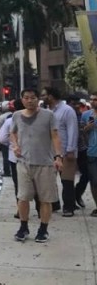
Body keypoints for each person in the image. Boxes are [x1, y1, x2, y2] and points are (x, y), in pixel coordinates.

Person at [9, 88, 64, 243]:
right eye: (26, 98)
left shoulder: (48, 115)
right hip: (23, 163)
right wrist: (15, 145)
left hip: (45, 164)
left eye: (33, 98)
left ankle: (43, 229)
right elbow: (12, 133)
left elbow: (55, 136)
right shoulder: (16, 115)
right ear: (22, 100)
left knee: (45, 199)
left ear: (38, 99)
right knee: (23, 197)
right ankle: (23, 227)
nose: (30, 101)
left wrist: (58, 157)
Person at [41, 86, 79, 216]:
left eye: (44, 95)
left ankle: (69, 207)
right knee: (50, 181)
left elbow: (72, 130)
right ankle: (54, 204)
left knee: (66, 181)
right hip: (50, 152)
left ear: (51, 96)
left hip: (65, 152)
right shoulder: (46, 111)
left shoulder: (67, 110)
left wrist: (70, 150)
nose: (42, 98)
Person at [0, 98, 24, 216]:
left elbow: (2, 138)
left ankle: (20, 210)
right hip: (34, 157)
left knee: (18, 184)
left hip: (15, 157)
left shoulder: (9, 120)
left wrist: (11, 144)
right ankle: (40, 209)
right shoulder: (36, 118)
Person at [69, 95, 90, 208]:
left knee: (86, 174)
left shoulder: (82, 116)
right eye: (74, 104)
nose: (77, 106)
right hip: (68, 150)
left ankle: (77, 193)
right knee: (68, 179)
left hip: (82, 149)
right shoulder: (66, 116)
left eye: (79, 104)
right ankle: (70, 201)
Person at [80, 92, 97, 216]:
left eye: (95, 99)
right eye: (91, 99)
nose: (92, 101)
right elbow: (81, 133)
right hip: (92, 152)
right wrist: (87, 128)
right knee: (94, 181)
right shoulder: (86, 115)